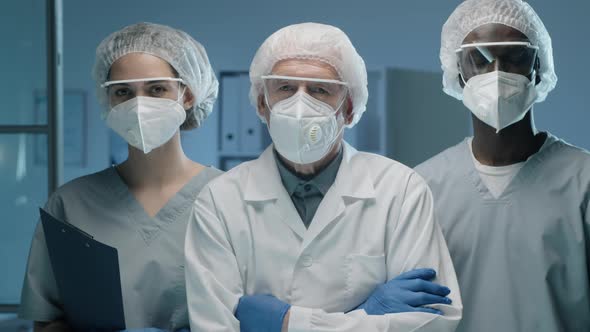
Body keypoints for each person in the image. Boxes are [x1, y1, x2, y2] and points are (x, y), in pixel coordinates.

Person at [184, 22, 462, 332]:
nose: (301, 105)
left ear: (349, 107)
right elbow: (213, 326)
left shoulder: (400, 189)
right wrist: (366, 316)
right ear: (263, 103)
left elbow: (434, 322)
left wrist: (289, 323)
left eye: (320, 90)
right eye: (285, 88)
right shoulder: (219, 200)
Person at [18, 22, 221, 331]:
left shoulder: (228, 198)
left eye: (156, 89)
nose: (139, 105)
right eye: (123, 92)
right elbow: (46, 321)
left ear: (188, 94)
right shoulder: (70, 204)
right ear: (108, 101)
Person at [415, 0, 590, 331]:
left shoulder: (584, 182)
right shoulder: (423, 186)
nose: (496, 72)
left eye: (514, 56)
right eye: (478, 59)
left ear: (538, 65)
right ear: (458, 70)